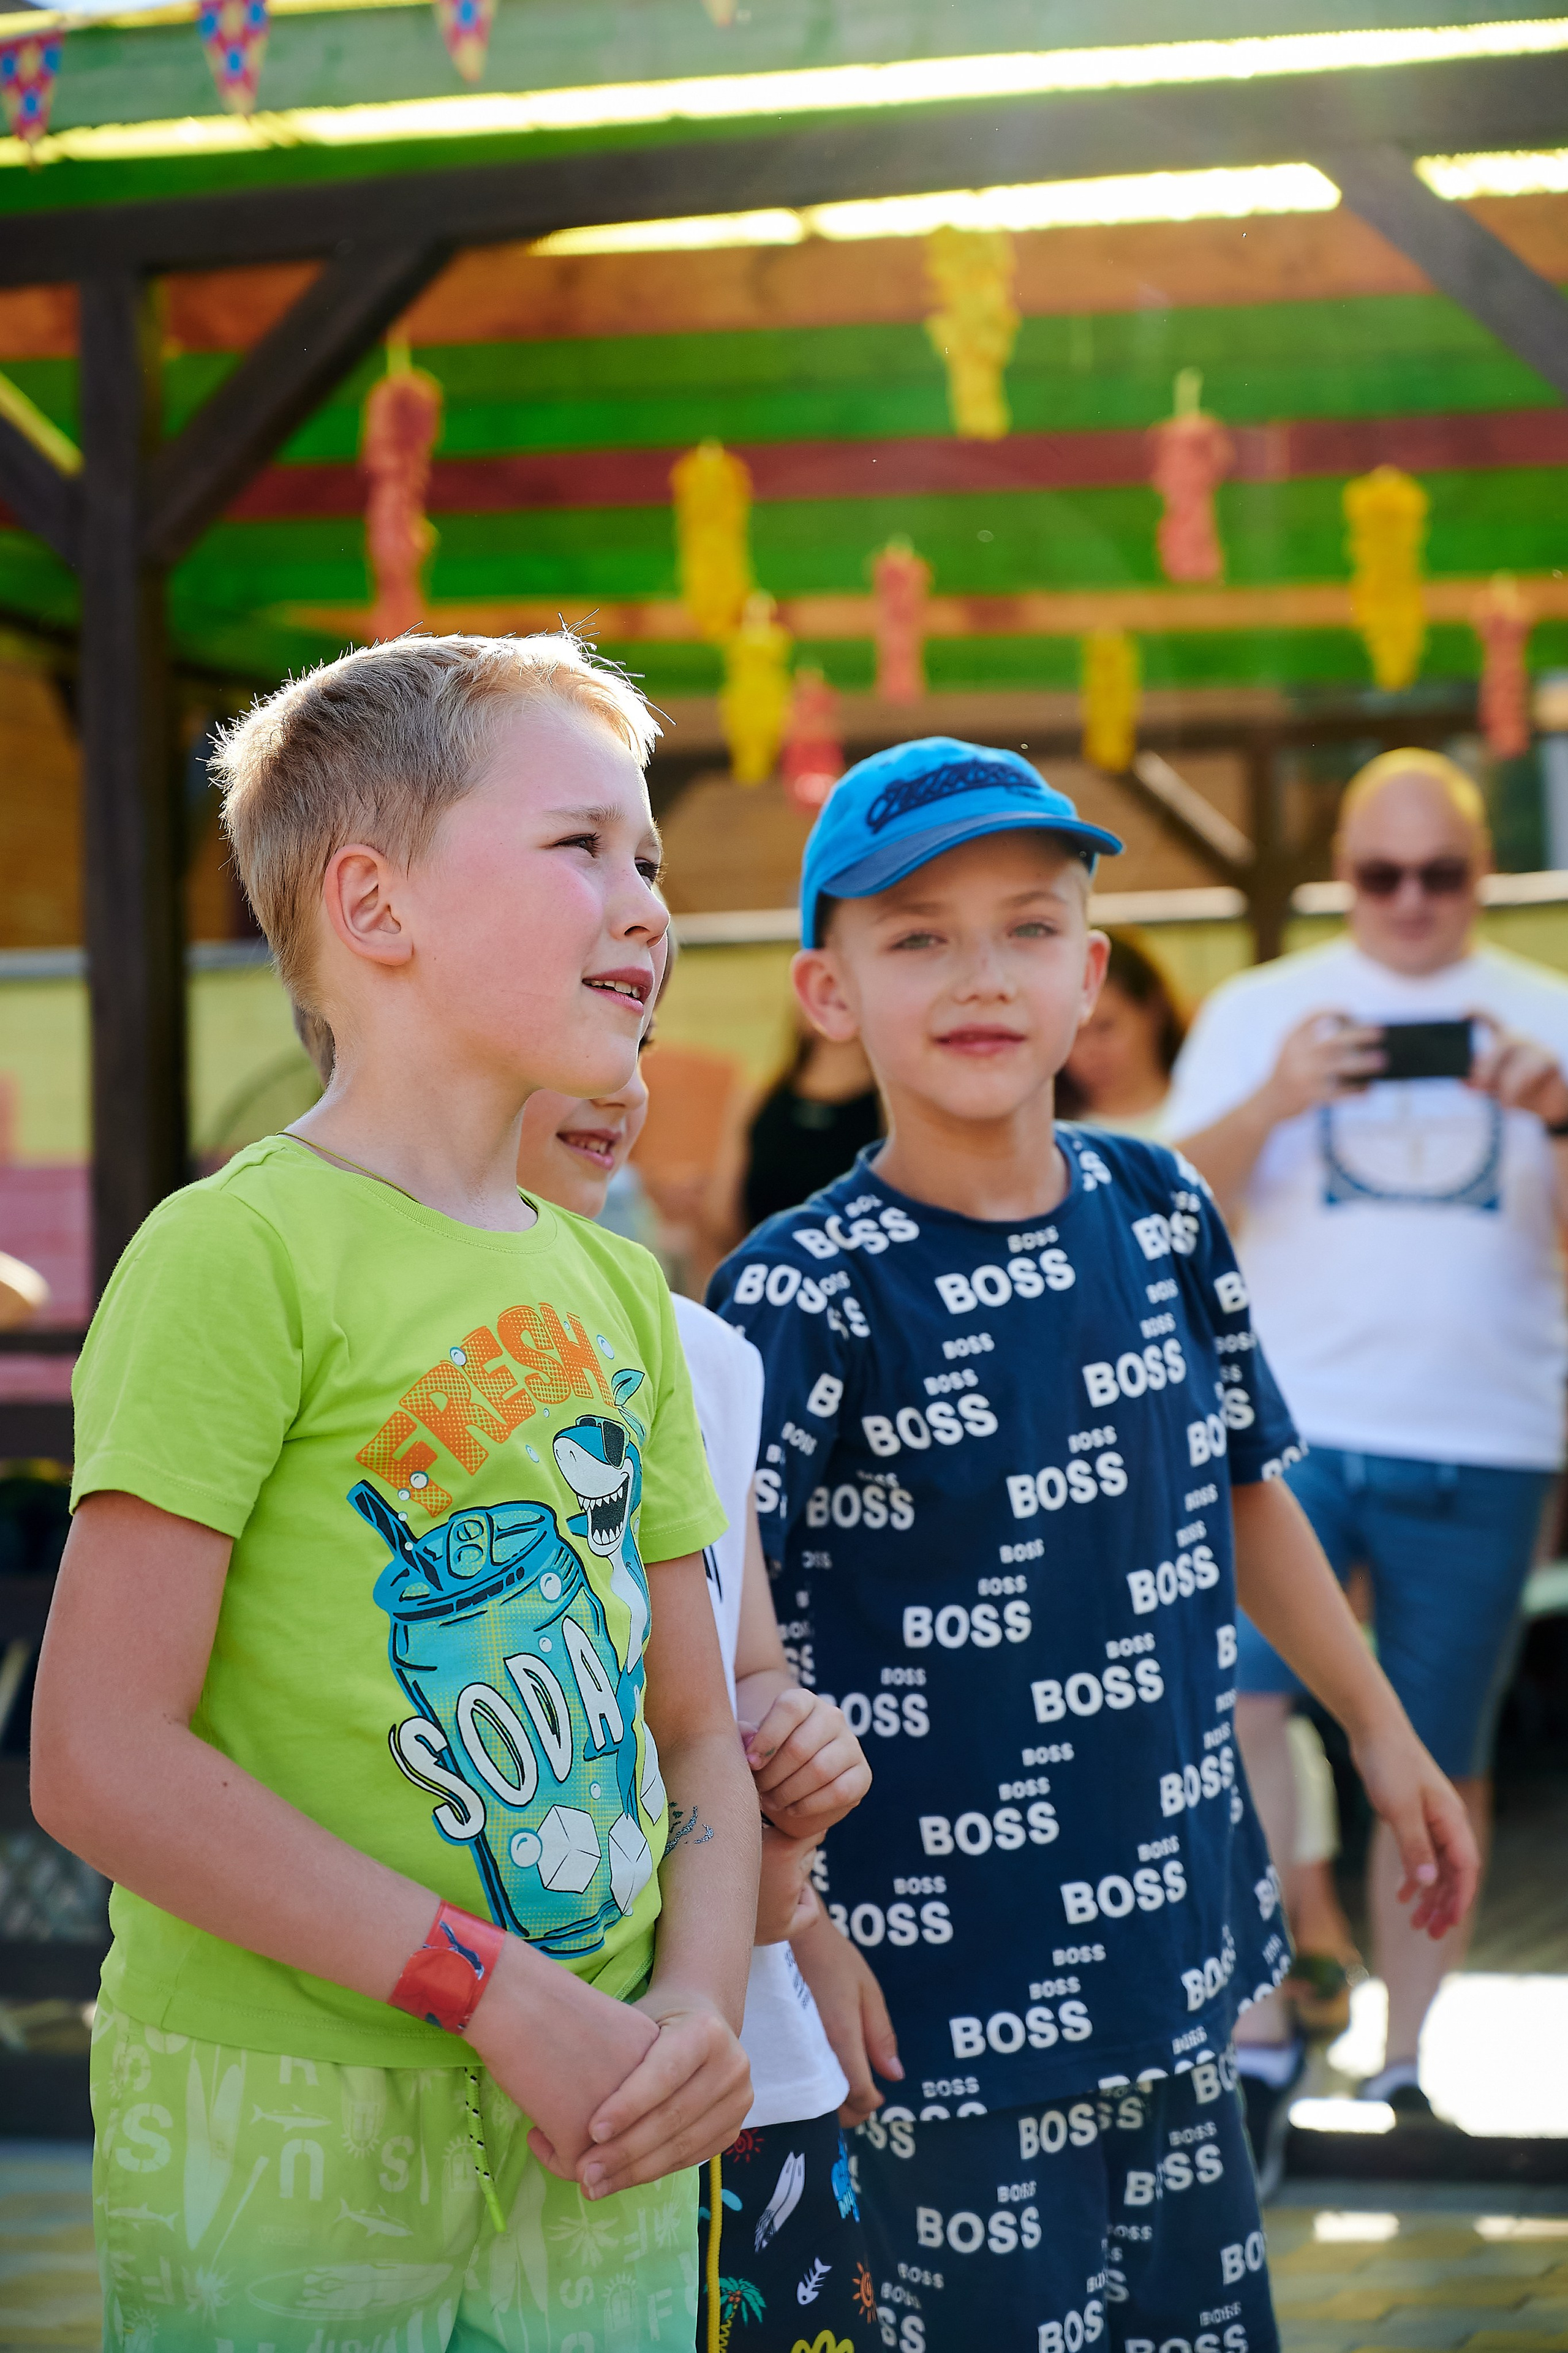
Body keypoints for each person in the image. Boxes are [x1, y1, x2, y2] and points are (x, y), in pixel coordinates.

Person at [34, 633, 760, 2353]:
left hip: (606, 2122)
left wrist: (700, 2014)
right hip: (285, 2127)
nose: (647, 903)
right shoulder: (237, 1255)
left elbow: (699, 1738)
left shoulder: (616, 1301)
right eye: (583, 848)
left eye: (650, 857)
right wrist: (490, 1992)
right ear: (375, 908)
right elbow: (99, 1754)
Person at [707, 734, 1479, 2351]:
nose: (981, 972)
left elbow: (1249, 1484)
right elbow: (714, 1642)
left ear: (1091, 970)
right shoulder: (800, 1292)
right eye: (917, 934)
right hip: (925, 2013)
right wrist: (802, 1927)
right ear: (826, 994)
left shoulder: (1164, 1209)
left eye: (1029, 926)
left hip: (1175, 1967)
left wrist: (1383, 1728)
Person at [1166, 747, 1568, 2114]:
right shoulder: (1258, 1010)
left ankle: (1404, 2057)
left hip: (1488, 1427)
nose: (1407, 906)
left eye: (1439, 876)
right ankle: (1271, 2011)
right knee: (1242, 1707)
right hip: (1285, 1430)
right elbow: (1164, 1209)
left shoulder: (1548, 1015)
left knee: (1439, 1746)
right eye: (1379, 876)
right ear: (1344, 874)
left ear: (1479, 878)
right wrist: (1278, 1097)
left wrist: (1556, 1118)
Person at [508, 1056, 897, 2351]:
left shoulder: (699, 1353)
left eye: (632, 1031)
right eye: (563, 1032)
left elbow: (742, 1674)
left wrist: (798, 1780)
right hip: (510, 2090)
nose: (614, 1081)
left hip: (746, 2068)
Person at [1056, 930, 1186, 1134]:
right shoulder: (1051, 1136)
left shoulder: (1213, 1107)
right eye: (1072, 1035)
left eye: (1105, 1027)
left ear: (1153, 1010)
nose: (1091, 1050)